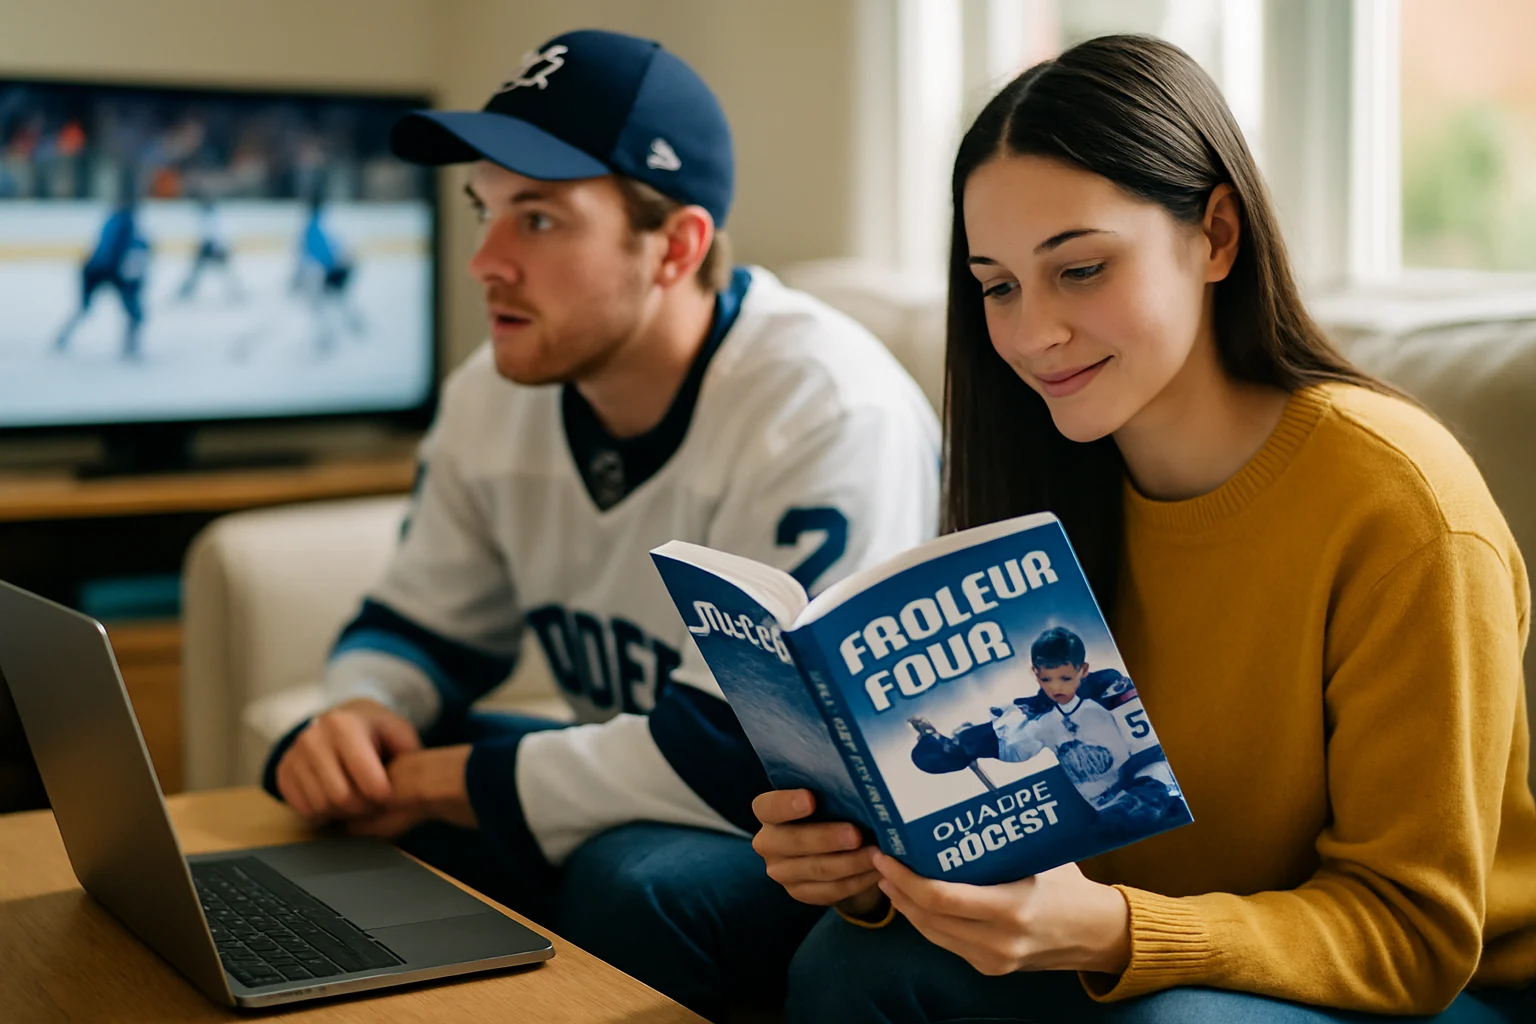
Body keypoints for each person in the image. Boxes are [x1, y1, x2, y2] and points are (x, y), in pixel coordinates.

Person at [751, 34, 1536, 1023]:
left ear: (1215, 234)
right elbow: (1052, 831)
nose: (1032, 333)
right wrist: (873, 870)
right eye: (997, 285)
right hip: (1143, 944)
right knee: (847, 964)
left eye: (1079, 268)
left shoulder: (1403, 506)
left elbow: (1413, 933)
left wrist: (1119, 930)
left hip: (1430, 986)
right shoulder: (1049, 482)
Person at [260, 28, 940, 1020]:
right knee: (331, 777)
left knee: (638, 877)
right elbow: (420, 626)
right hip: (664, 767)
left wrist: (448, 777)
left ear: (677, 246)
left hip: (825, 840)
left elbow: (743, 750)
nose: (485, 262)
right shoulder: (493, 392)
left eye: (537, 220)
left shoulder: (825, 406)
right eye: (483, 210)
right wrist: (363, 711)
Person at [55, 181, 151, 359]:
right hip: (106, 270)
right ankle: (130, 347)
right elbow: (129, 250)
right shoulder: (124, 223)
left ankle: (130, 346)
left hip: (99, 269)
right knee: (133, 313)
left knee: (88, 308)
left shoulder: (116, 220)